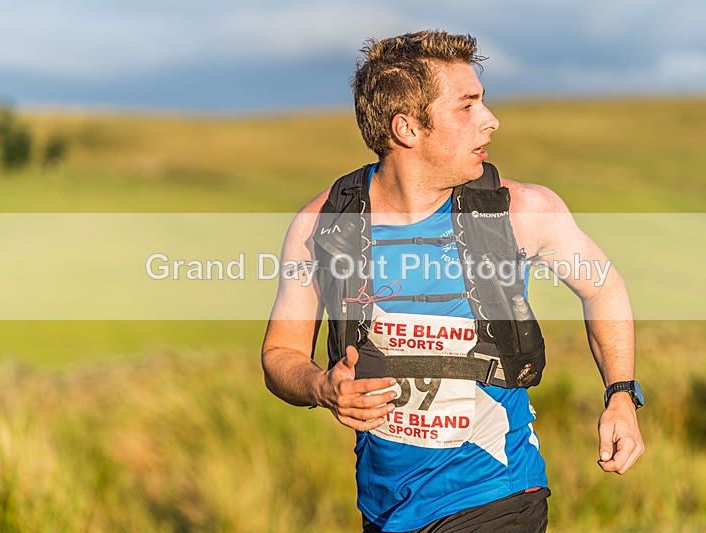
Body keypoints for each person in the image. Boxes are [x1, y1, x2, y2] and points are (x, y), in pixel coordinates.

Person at [262, 30, 644, 532]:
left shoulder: (525, 211)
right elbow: (280, 355)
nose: (491, 121)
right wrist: (320, 387)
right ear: (407, 128)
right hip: (383, 510)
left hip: (500, 495)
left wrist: (620, 394)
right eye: (467, 107)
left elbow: (603, 287)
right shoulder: (322, 226)